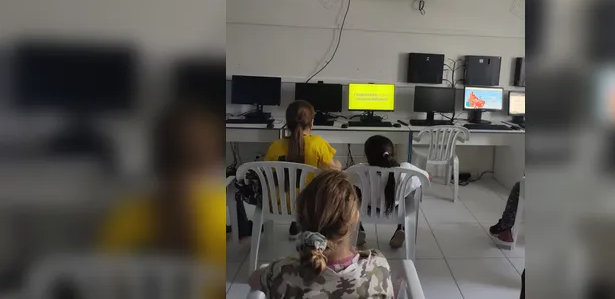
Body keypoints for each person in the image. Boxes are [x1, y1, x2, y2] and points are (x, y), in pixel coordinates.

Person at [99, 99, 225, 298]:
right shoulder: (219, 215)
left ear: (156, 157)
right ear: (213, 157)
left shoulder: (124, 217)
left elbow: (106, 285)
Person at [249, 170, 394, 298]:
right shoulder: (378, 267)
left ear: (300, 220)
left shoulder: (281, 273)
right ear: (355, 218)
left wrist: (268, 269)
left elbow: (253, 280)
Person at [264, 100, 342, 239]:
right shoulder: (317, 143)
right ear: (312, 123)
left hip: (278, 205)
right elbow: (335, 170)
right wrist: (338, 164)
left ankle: (297, 224)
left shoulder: (275, 146)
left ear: (287, 122)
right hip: (308, 206)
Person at [355, 135, 429, 249]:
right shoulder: (406, 168)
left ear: (367, 156)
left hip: (366, 209)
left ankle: (358, 228)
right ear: (392, 153)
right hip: (397, 209)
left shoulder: (359, 169)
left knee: (352, 192)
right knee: (411, 190)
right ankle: (401, 228)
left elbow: (343, 178)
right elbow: (426, 177)